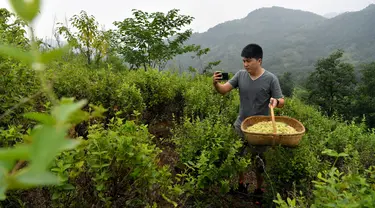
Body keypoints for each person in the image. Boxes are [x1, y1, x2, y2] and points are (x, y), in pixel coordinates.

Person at [212, 43, 284, 197]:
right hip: (241, 125)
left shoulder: (271, 79)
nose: (245, 65)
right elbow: (224, 90)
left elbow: (281, 101)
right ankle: (241, 184)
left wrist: (276, 102)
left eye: (248, 61)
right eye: (244, 61)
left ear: (259, 61)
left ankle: (259, 189)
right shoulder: (240, 75)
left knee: (258, 161)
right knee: (238, 156)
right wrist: (216, 84)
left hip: (260, 130)